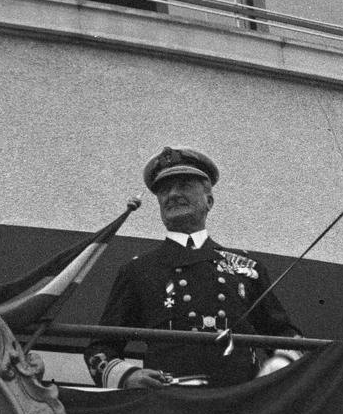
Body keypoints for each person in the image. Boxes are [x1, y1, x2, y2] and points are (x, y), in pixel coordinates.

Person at [84, 146, 299, 389]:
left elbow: (286, 336)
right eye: (164, 190)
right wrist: (127, 376)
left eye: (184, 185)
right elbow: (100, 348)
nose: (173, 194)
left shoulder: (247, 268)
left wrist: (279, 365)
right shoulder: (139, 270)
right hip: (168, 400)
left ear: (209, 201)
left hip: (239, 402)